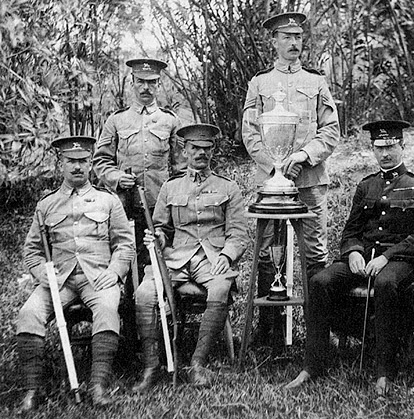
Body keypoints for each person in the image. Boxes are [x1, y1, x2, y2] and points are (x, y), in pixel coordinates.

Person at [285, 120, 414, 394]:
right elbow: (351, 231)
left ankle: (384, 371)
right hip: (364, 259)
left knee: (386, 283)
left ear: (403, 146)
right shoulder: (366, 186)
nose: (386, 153)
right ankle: (313, 364)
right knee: (319, 281)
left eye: (391, 146)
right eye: (380, 147)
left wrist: (387, 257)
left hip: (403, 262)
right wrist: (353, 251)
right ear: (373, 150)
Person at [242, 12, 340, 344]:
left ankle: (318, 332)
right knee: (270, 251)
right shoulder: (259, 83)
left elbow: (330, 131)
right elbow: (250, 134)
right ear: (274, 41)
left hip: (310, 181)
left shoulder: (316, 82)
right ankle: (269, 331)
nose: (293, 43)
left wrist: (301, 157)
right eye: (286, 37)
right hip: (271, 183)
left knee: (315, 254)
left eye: (298, 37)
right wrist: (276, 167)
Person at [17, 136, 134, 412]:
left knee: (107, 307)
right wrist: (40, 274)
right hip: (60, 280)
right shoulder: (46, 205)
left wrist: (115, 271)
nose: (77, 167)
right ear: (61, 164)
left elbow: (125, 244)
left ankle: (97, 385)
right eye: (71, 161)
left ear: (91, 163)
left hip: (98, 277)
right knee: (28, 313)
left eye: (83, 161)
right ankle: (32, 390)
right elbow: (31, 250)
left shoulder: (108, 201)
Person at [132, 124, 247, 391]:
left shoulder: (227, 187)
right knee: (145, 293)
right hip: (176, 259)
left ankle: (198, 364)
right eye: (195, 148)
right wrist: (157, 238)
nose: (201, 154)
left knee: (220, 287)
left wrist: (227, 256)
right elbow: (161, 227)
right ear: (184, 151)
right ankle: (151, 367)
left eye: (206, 149)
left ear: (213, 151)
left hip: (212, 259)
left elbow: (239, 234)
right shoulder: (171, 188)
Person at [93, 57, 182, 280]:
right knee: (127, 259)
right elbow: (100, 161)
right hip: (126, 206)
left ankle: (160, 308)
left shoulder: (170, 121)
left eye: (151, 82)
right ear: (132, 81)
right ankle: (129, 309)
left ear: (159, 84)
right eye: (141, 81)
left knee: (157, 258)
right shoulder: (116, 120)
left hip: (159, 206)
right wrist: (116, 177)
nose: (145, 88)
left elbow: (181, 167)